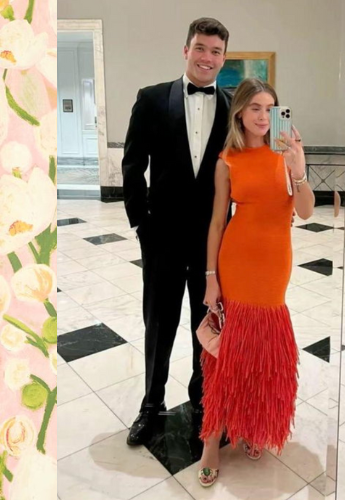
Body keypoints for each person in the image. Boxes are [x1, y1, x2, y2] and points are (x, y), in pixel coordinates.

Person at [197, 78, 315, 487]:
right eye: (255, 108)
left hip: (274, 265)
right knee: (227, 355)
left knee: (262, 351)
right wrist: (210, 278)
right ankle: (211, 442)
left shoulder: (287, 154)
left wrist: (299, 170)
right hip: (236, 261)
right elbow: (217, 223)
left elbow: (306, 212)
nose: (264, 117)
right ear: (240, 113)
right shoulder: (227, 160)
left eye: (270, 108)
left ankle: (251, 424)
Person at [121, 17, 232, 446]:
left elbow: (255, 160)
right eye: (200, 48)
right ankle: (151, 404)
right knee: (159, 322)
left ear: (224, 57)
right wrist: (141, 224)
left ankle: (203, 400)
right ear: (186, 50)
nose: (207, 57)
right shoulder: (151, 99)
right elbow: (133, 164)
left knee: (206, 323)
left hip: (213, 241)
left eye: (216, 51)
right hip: (162, 237)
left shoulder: (233, 108)